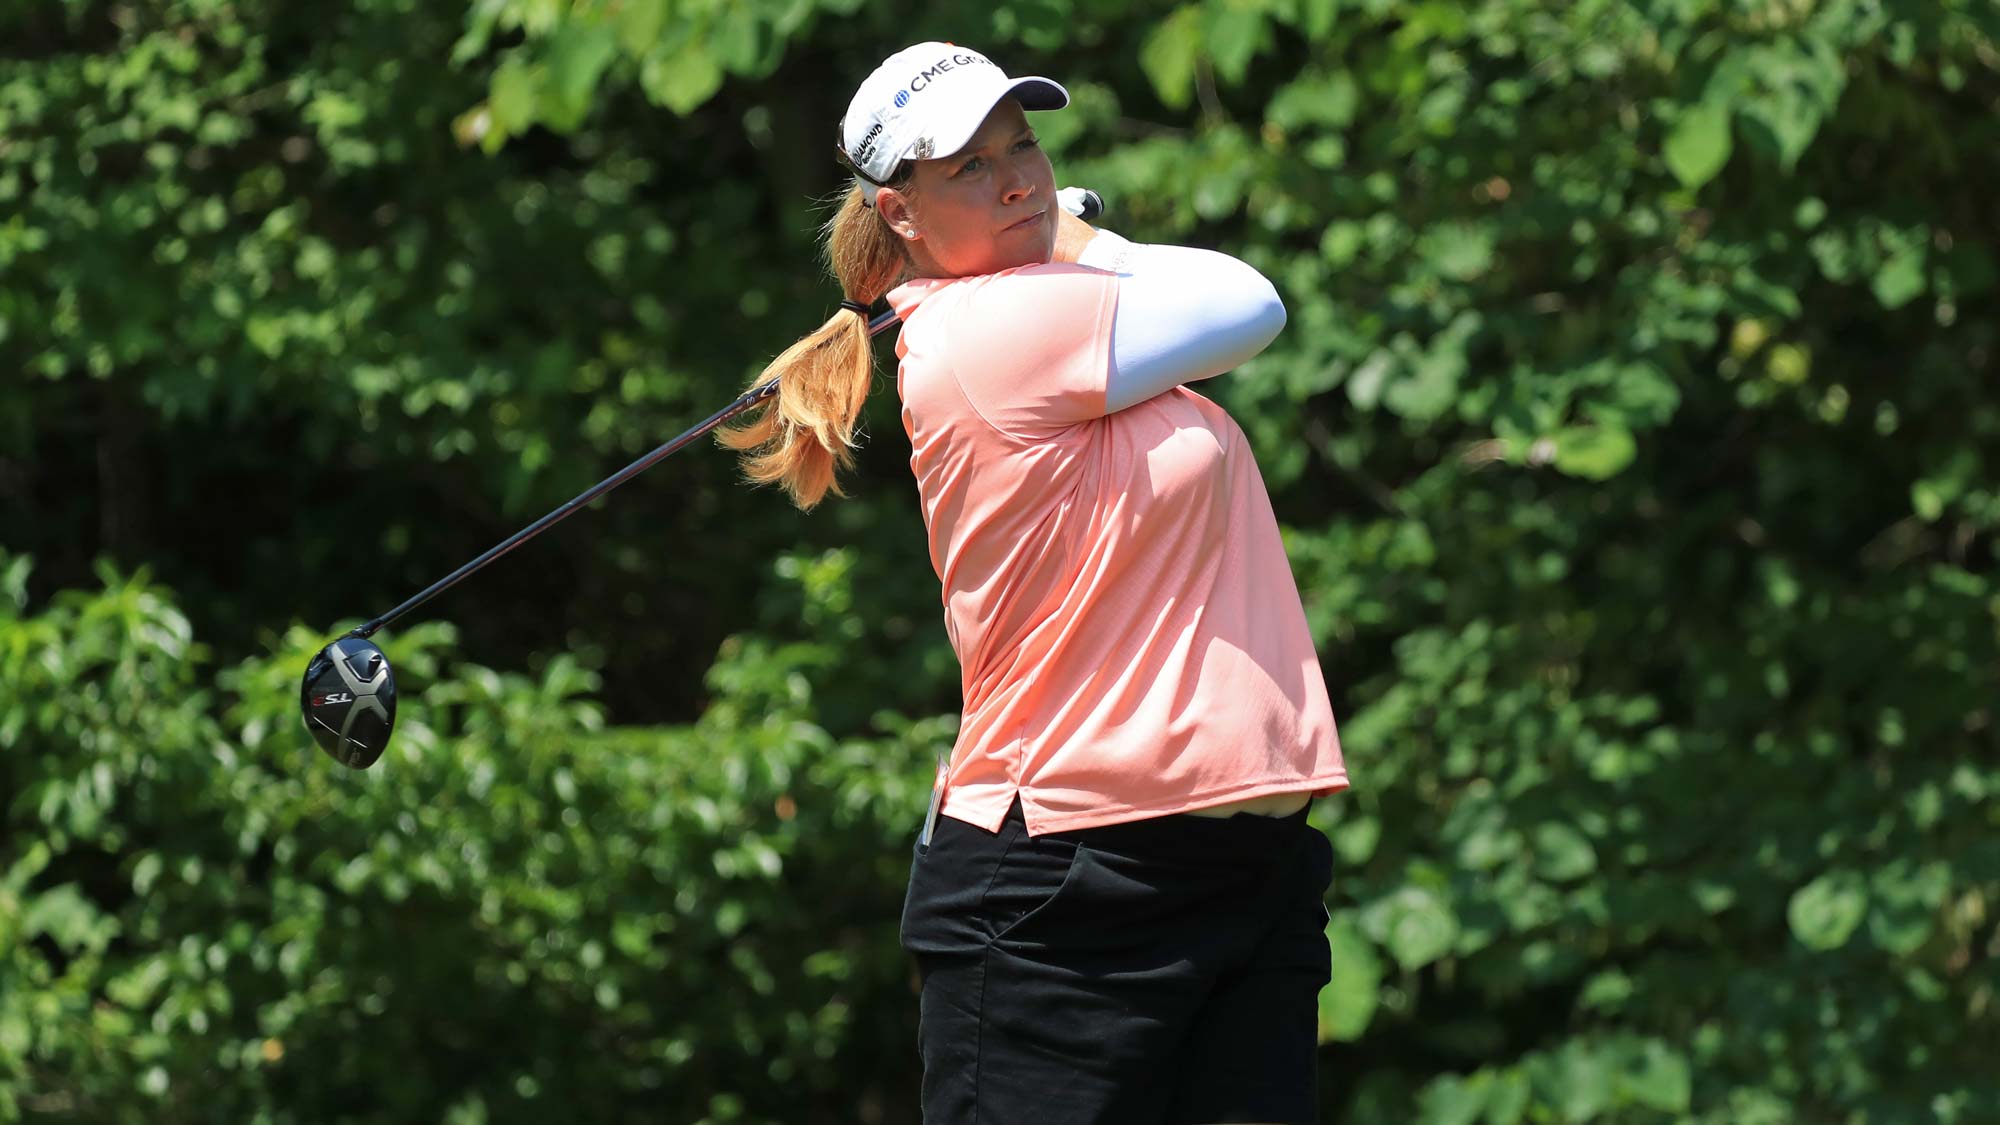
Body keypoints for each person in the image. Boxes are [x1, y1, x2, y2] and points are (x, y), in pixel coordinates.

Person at [722, 41, 1350, 1125]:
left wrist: (1050, 242)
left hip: (1244, 877)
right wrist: (1075, 232)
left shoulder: (1049, 319)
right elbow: (1249, 302)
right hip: (1068, 893)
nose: (1018, 178)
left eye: (1023, 147)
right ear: (901, 214)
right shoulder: (983, 326)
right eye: (969, 167)